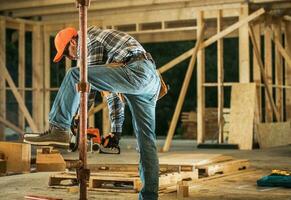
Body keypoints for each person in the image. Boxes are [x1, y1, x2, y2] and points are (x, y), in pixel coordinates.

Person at [24, 26, 161, 200]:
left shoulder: (88, 38)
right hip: (149, 78)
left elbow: (86, 85)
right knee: (146, 142)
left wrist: (80, 118)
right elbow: (112, 92)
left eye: (67, 52)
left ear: (73, 42)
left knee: (74, 75)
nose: (71, 57)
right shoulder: (111, 52)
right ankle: (149, 197)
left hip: (135, 71)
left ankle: (58, 129)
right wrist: (116, 131)